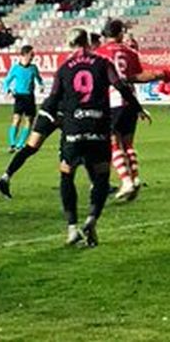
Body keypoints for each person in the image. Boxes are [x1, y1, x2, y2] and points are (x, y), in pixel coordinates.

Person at [41, 28, 148, 247]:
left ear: (70, 44)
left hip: (73, 129)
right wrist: (138, 108)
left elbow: (52, 100)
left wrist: (45, 119)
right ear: (88, 42)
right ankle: (92, 219)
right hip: (98, 128)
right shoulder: (103, 63)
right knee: (100, 177)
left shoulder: (63, 69)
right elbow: (121, 87)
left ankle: (71, 228)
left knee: (66, 175)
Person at [0, 33, 102, 200]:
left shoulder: (73, 64)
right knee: (79, 145)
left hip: (51, 109)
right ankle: (95, 184)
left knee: (35, 148)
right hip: (58, 111)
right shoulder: (84, 65)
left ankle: (5, 178)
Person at [94, 19, 170, 201]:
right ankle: (135, 179)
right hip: (130, 102)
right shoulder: (129, 52)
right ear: (120, 33)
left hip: (111, 102)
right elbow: (138, 76)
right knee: (128, 144)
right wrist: (163, 74)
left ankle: (126, 181)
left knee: (113, 143)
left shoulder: (98, 54)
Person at [2, 45, 44, 153]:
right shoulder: (15, 68)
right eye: (31, 54)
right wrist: (8, 90)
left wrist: (41, 85)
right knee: (16, 119)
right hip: (19, 96)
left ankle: (20, 144)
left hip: (30, 97)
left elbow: (39, 79)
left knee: (29, 120)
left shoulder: (33, 68)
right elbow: (6, 81)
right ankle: (12, 144)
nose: (33, 57)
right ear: (24, 55)